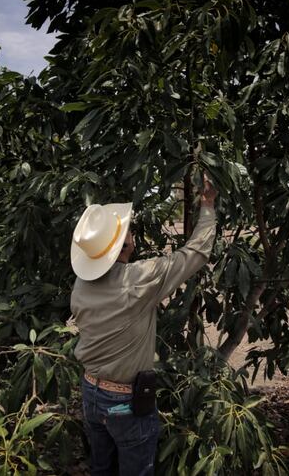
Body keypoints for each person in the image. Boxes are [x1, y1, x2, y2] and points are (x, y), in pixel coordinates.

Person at [69, 175, 218, 476]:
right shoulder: (139, 279)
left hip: (91, 394)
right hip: (124, 401)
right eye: (129, 232)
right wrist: (208, 205)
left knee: (102, 469)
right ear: (126, 244)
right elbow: (196, 253)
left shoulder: (81, 284)